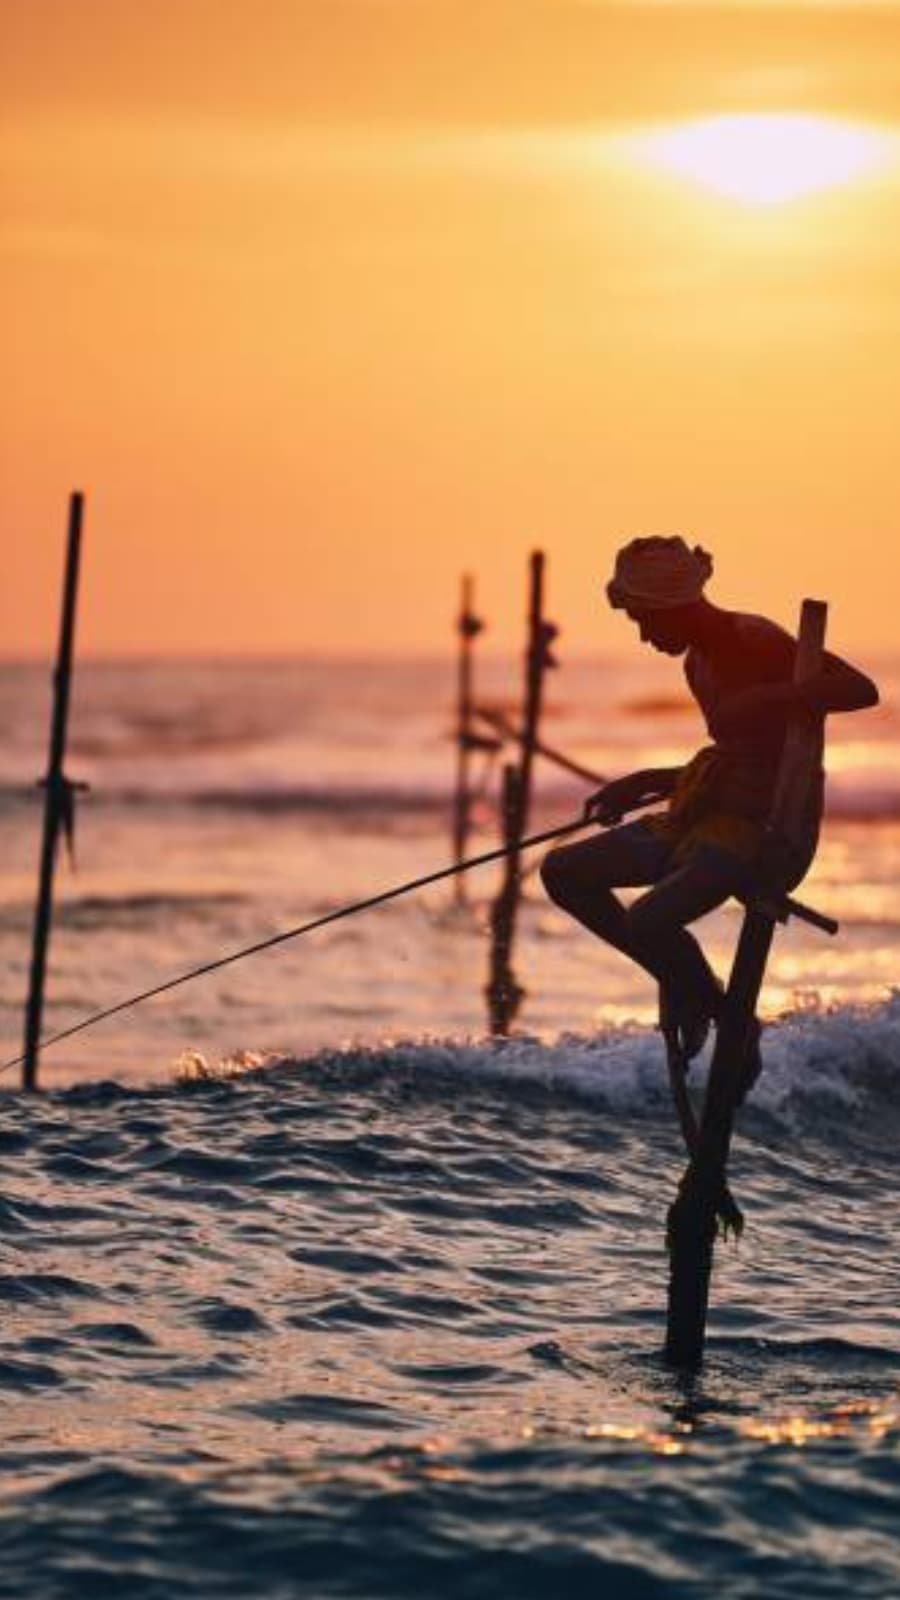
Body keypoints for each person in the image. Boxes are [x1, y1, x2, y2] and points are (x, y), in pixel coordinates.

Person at [540, 535, 879, 1075]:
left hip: (765, 831)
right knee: (563, 871)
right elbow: (736, 757)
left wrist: (771, 696)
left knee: (649, 921)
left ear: (678, 607)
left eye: (648, 620)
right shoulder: (695, 662)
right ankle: (704, 997)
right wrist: (646, 780)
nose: (646, 636)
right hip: (705, 815)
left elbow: (862, 689)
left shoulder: (754, 637)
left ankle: (722, 1014)